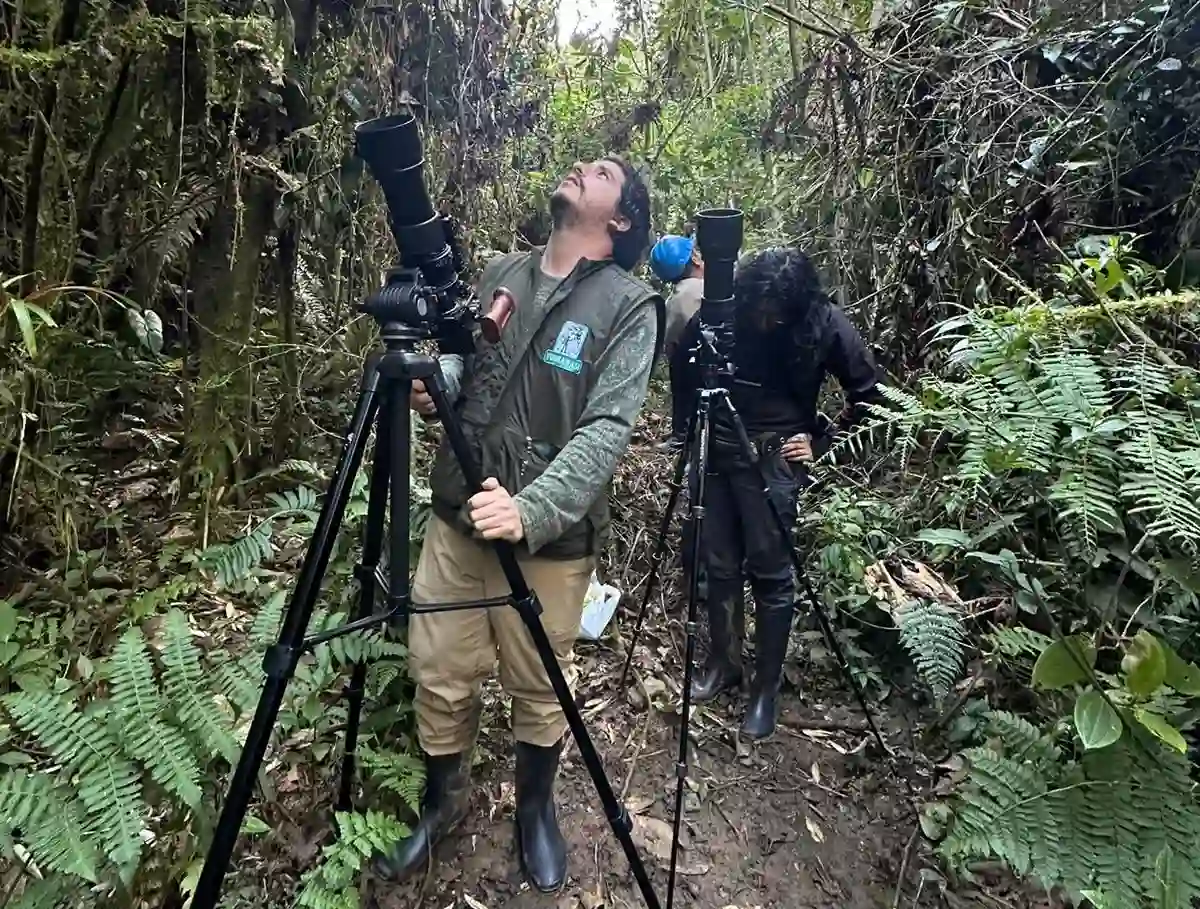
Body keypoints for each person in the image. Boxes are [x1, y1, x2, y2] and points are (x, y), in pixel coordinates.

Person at [371, 157, 662, 891]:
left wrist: (530, 508)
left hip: (548, 540)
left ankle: (534, 809)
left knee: (539, 683)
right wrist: (441, 389)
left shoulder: (631, 306)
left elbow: (606, 432)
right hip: (457, 513)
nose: (581, 166)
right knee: (438, 668)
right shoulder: (506, 267)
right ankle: (440, 804)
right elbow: (474, 364)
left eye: (601, 171)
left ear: (619, 219)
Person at [675, 245, 879, 740]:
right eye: (759, 309)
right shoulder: (724, 311)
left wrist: (823, 442)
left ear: (797, 305)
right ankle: (723, 663)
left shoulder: (825, 321)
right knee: (718, 565)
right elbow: (682, 363)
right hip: (720, 450)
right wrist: (688, 431)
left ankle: (765, 691)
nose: (765, 321)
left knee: (770, 574)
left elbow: (870, 394)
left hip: (775, 460)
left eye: (776, 313)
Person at [648, 234, 704, 452]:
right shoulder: (714, 287)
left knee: (678, 361)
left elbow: (670, 343)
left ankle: (681, 434)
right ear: (696, 259)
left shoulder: (676, 300)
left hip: (692, 369)